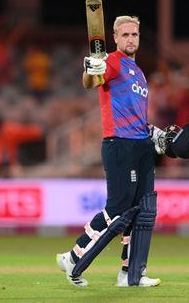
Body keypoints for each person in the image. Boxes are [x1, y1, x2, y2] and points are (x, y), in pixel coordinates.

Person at [56, 16, 162, 288]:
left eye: (135, 34)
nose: (131, 39)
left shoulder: (139, 73)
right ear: (115, 37)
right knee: (118, 208)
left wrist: (155, 134)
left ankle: (130, 274)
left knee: (142, 212)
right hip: (119, 144)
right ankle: (73, 255)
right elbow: (91, 81)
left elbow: (137, 116)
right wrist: (91, 70)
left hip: (141, 146)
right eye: (125, 34)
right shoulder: (113, 61)